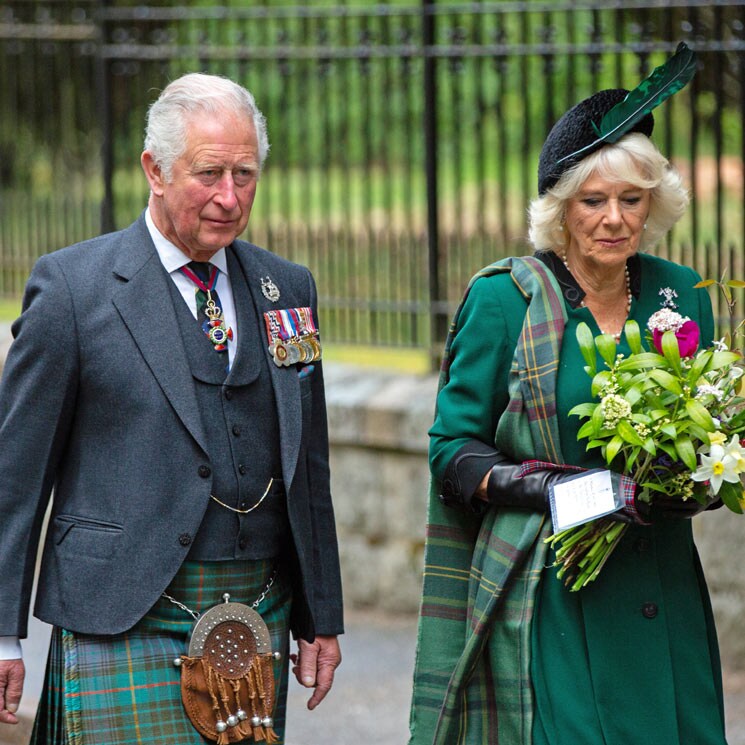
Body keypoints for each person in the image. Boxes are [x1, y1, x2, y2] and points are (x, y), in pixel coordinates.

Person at [0, 72, 343, 744]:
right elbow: (14, 478)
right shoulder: (73, 289)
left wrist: (320, 613)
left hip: (255, 607)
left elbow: (310, 466)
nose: (228, 196)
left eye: (245, 174)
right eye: (209, 173)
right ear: (153, 170)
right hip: (119, 610)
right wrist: (1, 633)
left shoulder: (285, 289)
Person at [409, 44, 728, 744]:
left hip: (662, 589)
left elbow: (709, 428)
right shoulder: (505, 300)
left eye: (630, 199)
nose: (613, 218)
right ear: (560, 208)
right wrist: (551, 488)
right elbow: (450, 448)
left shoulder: (680, 292)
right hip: (555, 592)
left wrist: (700, 479)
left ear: (654, 203)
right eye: (592, 200)